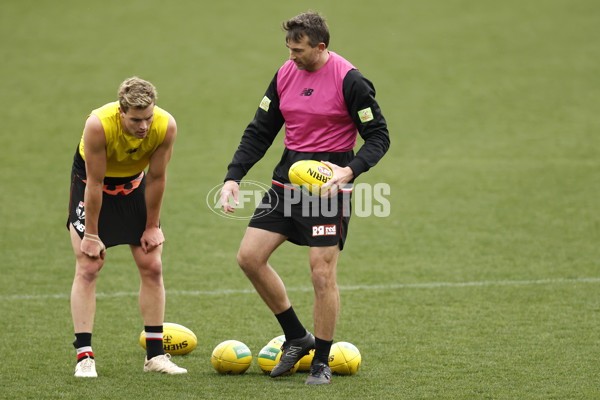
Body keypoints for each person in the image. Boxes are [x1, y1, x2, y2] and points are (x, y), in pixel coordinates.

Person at [219, 11, 390, 385]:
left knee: (321, 274)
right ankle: (298, 336)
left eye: (298, 50)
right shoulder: (284, 74)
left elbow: (378, 136)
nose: (291, 56)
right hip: (286, 181)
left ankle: (322, 362)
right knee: (249, 258)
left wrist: (350, 171)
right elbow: (260, 130)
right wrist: (234, 177)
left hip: (328, 185)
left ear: (321, 46)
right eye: (288, 48)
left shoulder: (351, 81)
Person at [66, 77, 186, 377]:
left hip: (134, 187)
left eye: (148, 118)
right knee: (89, 267)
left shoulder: (165, 125)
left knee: (152, 265)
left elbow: (157, 178)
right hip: (93, 188)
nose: (143, 126)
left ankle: (155, 356)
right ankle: (84, 357)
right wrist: (91, 235)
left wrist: (151, 226)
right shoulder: (98, 125)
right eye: (136, 120)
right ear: (121, 112)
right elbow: (93, 183)